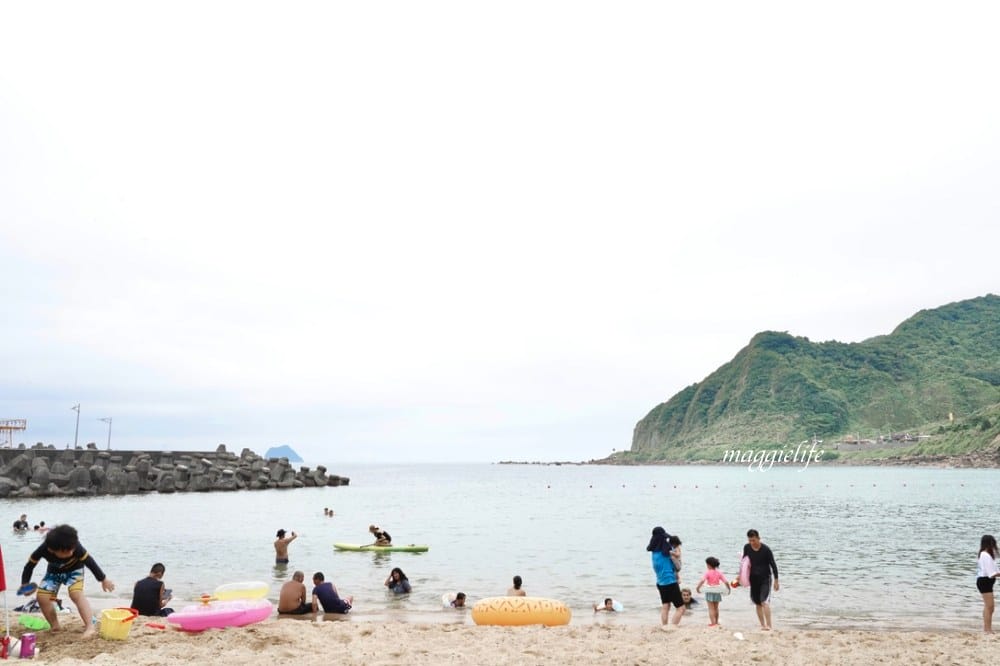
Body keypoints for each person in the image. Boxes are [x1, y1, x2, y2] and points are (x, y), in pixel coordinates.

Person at [20, 523, 116, 638]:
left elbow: (90, 562)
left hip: (75, 571)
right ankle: (55, 626)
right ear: (51, 550)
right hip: (54, 572)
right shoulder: (43, 549)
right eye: (66, 551)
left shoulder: (75, 547)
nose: (71, 553)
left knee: (76, 594)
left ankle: (90, 626)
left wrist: (103, 579)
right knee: (42, 597)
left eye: (72, 549)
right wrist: (25, 583)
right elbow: (29, 566)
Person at [648, 525, 685, 627]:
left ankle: (664, 626)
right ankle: (672, 626)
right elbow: (677, 559)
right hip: (670, 582)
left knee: (666, 606)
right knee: (681, 608)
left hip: (660, 583)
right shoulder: (667, 552)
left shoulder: (654, 553)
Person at [743, 529, 779, 631]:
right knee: (757, 603)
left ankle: (769, 625)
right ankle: (762, 625)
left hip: (765, 578)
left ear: (759, 538)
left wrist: (776, 580)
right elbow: (744, 563)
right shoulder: (747, 547)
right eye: (750, 540)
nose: (751, 543)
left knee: (764, 601)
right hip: (753, 579)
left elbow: (773, 565)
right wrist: (741, 577)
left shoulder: (766, 550)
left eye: (753, 540)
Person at [695, 556, 731, 627]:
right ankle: (716, 622)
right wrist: (728, 589)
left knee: (711, 608)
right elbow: (726, 582)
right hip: (717, 592)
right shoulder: (719, 573)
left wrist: (698, 588)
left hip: (710, 591)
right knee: (716, 608)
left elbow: (702, 581)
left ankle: (713, 623)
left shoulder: (708, 573)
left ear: (708, 565)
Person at [977, 534, 1000, 633]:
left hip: (986, 581)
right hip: (985, 581)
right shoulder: (985, 555)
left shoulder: (986, 554)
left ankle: (987, 628)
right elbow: (992, 574)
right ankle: (987, 630)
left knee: (989, 606)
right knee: (989, 606)